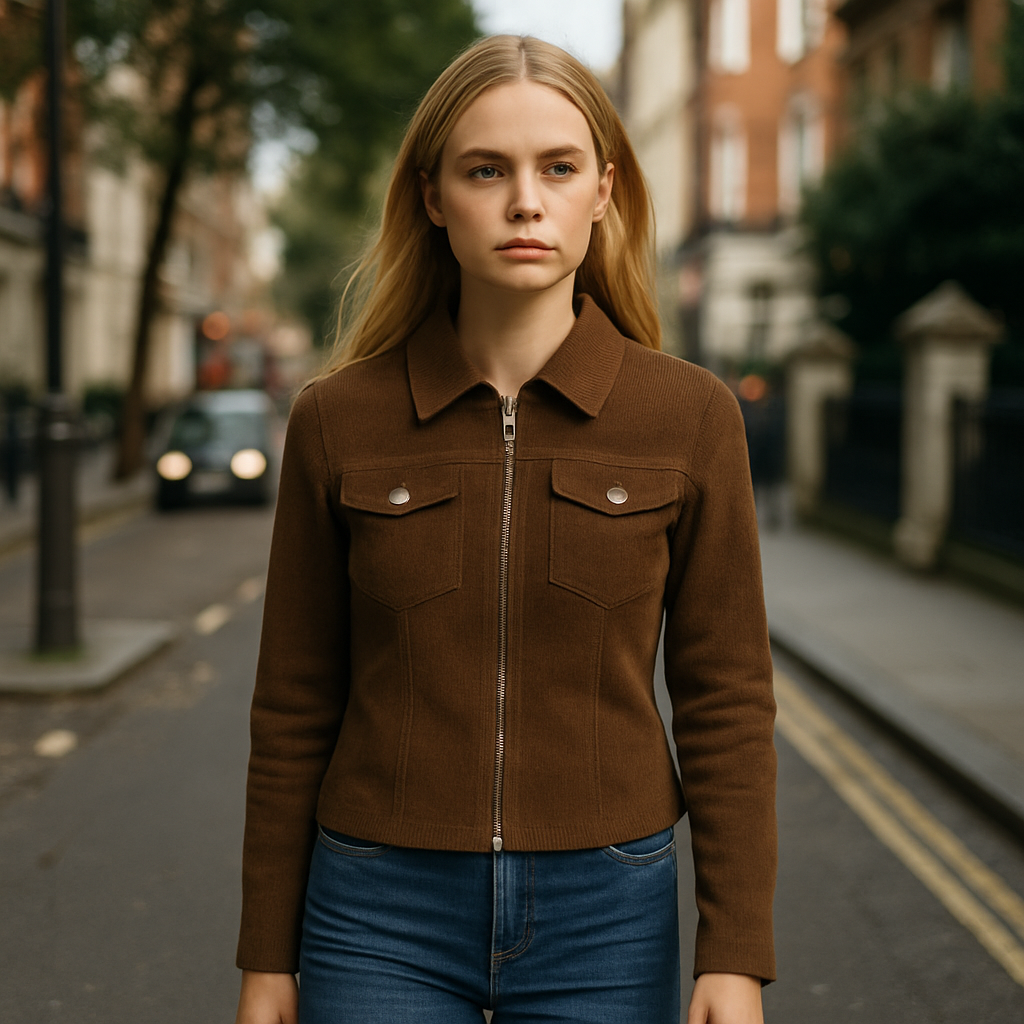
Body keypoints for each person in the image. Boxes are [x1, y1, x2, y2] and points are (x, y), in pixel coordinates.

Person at [234, 35, 776, 1024]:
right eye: (487, 170)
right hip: (375, 904)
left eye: (558, 168)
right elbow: (292, 705)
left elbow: (727, 700)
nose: (525, 200)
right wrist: (267, 956)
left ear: (602, 191)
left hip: (608, 908)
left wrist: (733, 950)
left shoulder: (690, 418)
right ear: (434, 195)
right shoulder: (336, 419)